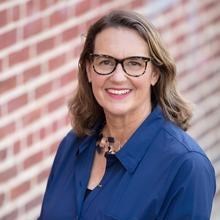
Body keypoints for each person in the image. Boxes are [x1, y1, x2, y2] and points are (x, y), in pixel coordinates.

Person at [38, 10, 216, 220]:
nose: (118, 77)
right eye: (105, 61)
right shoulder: (73, 145)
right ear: (88, 69)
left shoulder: (186, 167)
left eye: (135, 63)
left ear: (155, 73)